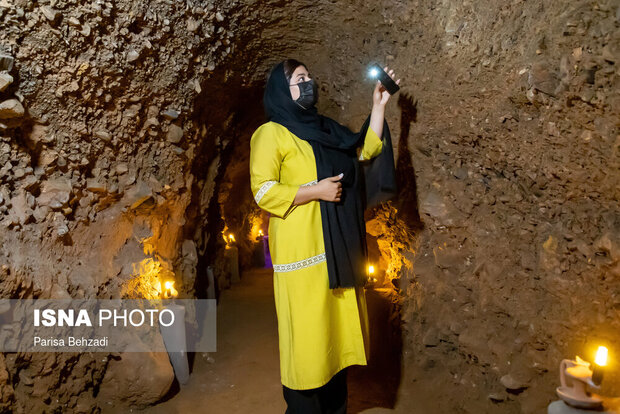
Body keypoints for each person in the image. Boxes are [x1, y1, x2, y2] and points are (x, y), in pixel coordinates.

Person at [249, 59, 400, 413]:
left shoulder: (326, 129)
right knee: (308, 344)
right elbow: (264, 190)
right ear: (281, 91)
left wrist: (378, 105)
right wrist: (315, 191)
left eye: (309, 77)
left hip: (337, 250)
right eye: (299, 79)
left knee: (332, 344)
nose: (309, 83)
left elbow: (363, 151)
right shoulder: (271, 133)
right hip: (303, 254)